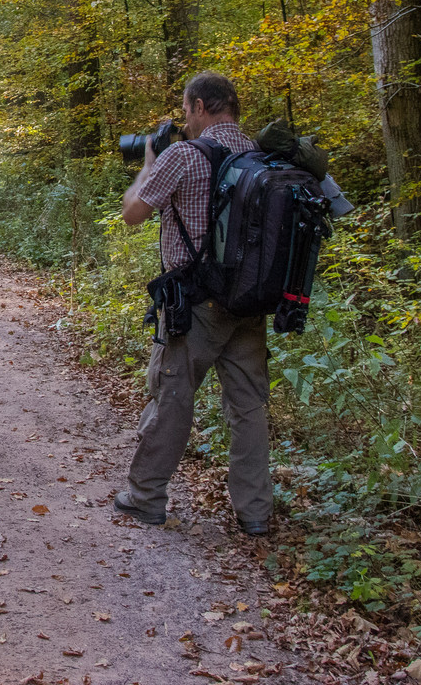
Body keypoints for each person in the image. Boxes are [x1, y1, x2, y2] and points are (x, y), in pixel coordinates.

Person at [111, 72, 273, 536]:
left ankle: (144, 496)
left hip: (196, 303)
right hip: (249, 301)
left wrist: (148, 162)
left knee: (173, 397)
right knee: (247, 407)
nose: (185, 119)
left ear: (200, 106)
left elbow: (132, 214)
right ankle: (255, 511)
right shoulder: (261, 155)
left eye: (185, 110)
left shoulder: (185, 155)